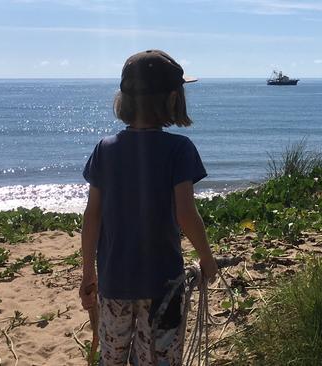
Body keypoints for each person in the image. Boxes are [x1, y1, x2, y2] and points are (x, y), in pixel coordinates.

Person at [79, 49, 219, 366]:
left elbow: (92, 217)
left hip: (114, 282)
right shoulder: (179, 149)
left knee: (112, 357)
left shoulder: (106, 148)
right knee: (159, 360)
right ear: (172, 99)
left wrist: (89, 274)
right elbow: (186, 213)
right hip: (164, 286)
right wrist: (207, 258)